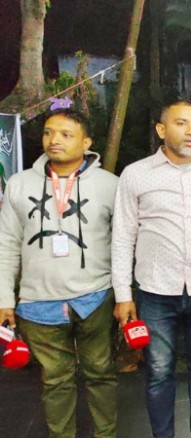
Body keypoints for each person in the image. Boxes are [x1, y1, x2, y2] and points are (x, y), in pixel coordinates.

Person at [0, 108, 118, 437]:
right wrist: (4, 299)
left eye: (66, 134)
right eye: (49, 132)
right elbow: (6, 245)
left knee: (101, 373)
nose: (55, 140)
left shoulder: (110, 185)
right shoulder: (19, 184)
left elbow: (123, 244)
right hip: (38, 302)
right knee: (55, 380)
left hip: (95, 297)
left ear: (86, 142)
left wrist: (124, 295)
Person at [112, 100, 191, 438]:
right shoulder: (136, 174)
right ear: (161, 130)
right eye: (181, 123)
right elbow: (122, 236)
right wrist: (123, 295)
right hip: (155, 291)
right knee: (159, 371)